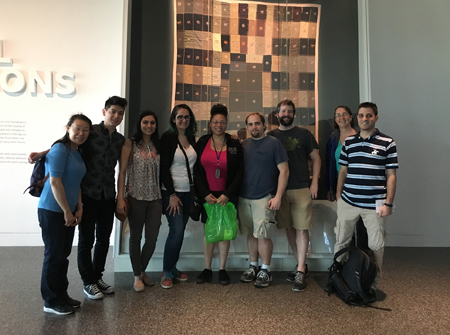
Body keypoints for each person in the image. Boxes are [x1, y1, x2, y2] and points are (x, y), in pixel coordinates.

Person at [29, 96, 128, 300]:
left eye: (120, 113)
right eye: (113, 111)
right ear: (104, 112)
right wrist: (42, 153)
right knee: (86, 240)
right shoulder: (90, 133)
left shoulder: (120, 140)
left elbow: (121, 171)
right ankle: (88, 281)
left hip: (108, 194)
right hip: (88, 194)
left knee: (103, 239)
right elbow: (67, 144)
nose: (116, 116)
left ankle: (97, 276)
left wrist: (120, 197)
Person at [334, 102, 398, 291]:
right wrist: (339, 196)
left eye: (369, 115)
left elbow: (391, 175)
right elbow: (343, 172)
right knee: (341, 241)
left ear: (376, 118)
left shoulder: (387, 142)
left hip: (375, 205)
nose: (364, 119)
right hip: (348, 201)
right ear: (357, 118)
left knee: (376, 245)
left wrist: (389, 203)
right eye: (361, 115)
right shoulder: (350, 142)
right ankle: (337, 278)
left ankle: (371, 285)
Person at [38, 114, 92, 315]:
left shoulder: (77, 152)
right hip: (53, 210)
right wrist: (66, 211)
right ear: (68, 128)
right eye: (78, 128)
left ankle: (61, 295)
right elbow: (55, 182)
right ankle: (51, 300)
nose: (81, 133)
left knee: (63, 255)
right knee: (53, 255)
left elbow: (77, 182)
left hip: (68, 210)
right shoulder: (59, 149)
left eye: (86, 130)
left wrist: (79, 206)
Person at [268, 99, 321, 292]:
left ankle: (299, 269)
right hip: (279, 191)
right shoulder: (271, 136)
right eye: (283, 111)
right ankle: (302, 266)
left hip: (300, 188)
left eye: (289, 111)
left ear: (293, 114)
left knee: (302, 228)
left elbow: (316, 159)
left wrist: (314, 182)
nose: (286, 114)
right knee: (289, 228)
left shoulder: (304, 134)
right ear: (277, 114)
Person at [194, 104, 243, 285]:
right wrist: (204, 193)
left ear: (226, 123)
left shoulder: (234, 144)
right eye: (215, 122)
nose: (219, 125)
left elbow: (239, 172)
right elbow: (197, 172)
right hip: (208, 196)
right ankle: (207, 268)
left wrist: (228, 194)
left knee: (224, 231)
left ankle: (222, 269)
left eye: (222, 122)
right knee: (209, 231)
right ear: (210, 123)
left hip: (226, 196)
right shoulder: (202, 142)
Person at [239, 113, 289, 288]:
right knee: (251, 233)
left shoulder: (274, 144)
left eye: (257, 124)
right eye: (251, 124)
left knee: (263, 235)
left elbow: (284, 171)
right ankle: (253, 266)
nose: (254, 127)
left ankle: (265, 270)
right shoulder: (244, 145)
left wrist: (278, 196)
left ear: (264, 125)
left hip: (264, 197)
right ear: (247, 127)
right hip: (244, 197)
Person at [116, 110, 162, 292]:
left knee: (151, 238)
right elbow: (122, 171)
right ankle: (137, 275)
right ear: (139, 124)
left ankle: (142, 270)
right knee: (135, 237)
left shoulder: (158, 145)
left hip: (155, 198)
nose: (149, 126)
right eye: (145, 122)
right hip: (135, 196)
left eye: (152, 123)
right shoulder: (130, 143)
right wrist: (120, 197)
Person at [160, 104, 198, 289]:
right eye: (180, 117)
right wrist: (172, 194)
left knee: (180, 231)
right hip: (172, 192)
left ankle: (173, 267)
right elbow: (163, 169)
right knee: (176, 231)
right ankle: (166, 271)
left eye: (187, 117)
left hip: (188, 191)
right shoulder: (167, 138)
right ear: (173, 119)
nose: (184, 120)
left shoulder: (191, 138)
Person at [326, 106, 368, 250]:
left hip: (359, 185)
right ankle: (347, 261)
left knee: (361, 224)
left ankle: (363, 260)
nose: (341, 117)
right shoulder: (333, 139)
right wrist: (331, 188)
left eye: (344, 114)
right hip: (340, 185)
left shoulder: (361, 135)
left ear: (351, 117)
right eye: (337, 115)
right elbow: (329, 164)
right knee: (345, 226)